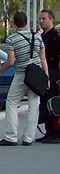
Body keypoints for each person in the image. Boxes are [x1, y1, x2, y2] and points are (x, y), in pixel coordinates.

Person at [0, 11, 48, 146]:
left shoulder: (12, 39)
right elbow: (43, 59)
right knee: (34, 104)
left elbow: (11, 61)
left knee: (12, 102)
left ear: (14, 23)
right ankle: (28, 138)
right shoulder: (37, 37)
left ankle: (11, 136)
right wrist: (46, 78)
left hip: (22, 74)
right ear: (27, 22)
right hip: (37, 74)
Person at [37, 10, 60, 142]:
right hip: (44, 72)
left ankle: (56, 133)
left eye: (43, 18)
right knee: (45, 102)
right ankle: (48, 131)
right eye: (40, 19)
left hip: (53, 72)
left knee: (54, 102)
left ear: (51, 19)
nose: (41, 21)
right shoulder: (42, 37)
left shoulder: (56, 37)